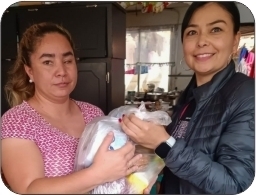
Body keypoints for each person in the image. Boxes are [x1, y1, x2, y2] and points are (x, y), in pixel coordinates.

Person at [1, 22, 155, 194]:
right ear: (29, 71)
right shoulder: (17, 121)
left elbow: (114, 169)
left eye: (67, 60)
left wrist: (134, 171)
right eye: (47, 62)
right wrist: (99, 174)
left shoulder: (93, 114)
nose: (61, 71)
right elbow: (29, 189)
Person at [121, 2, 255, 194]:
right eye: (192, 32)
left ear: (235, 40)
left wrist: (163, 144)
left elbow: (235, 183)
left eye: (215, 29)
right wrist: (151, 170)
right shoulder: (190, 97)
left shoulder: (247, 94)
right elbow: (178, 156)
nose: (202, 41)